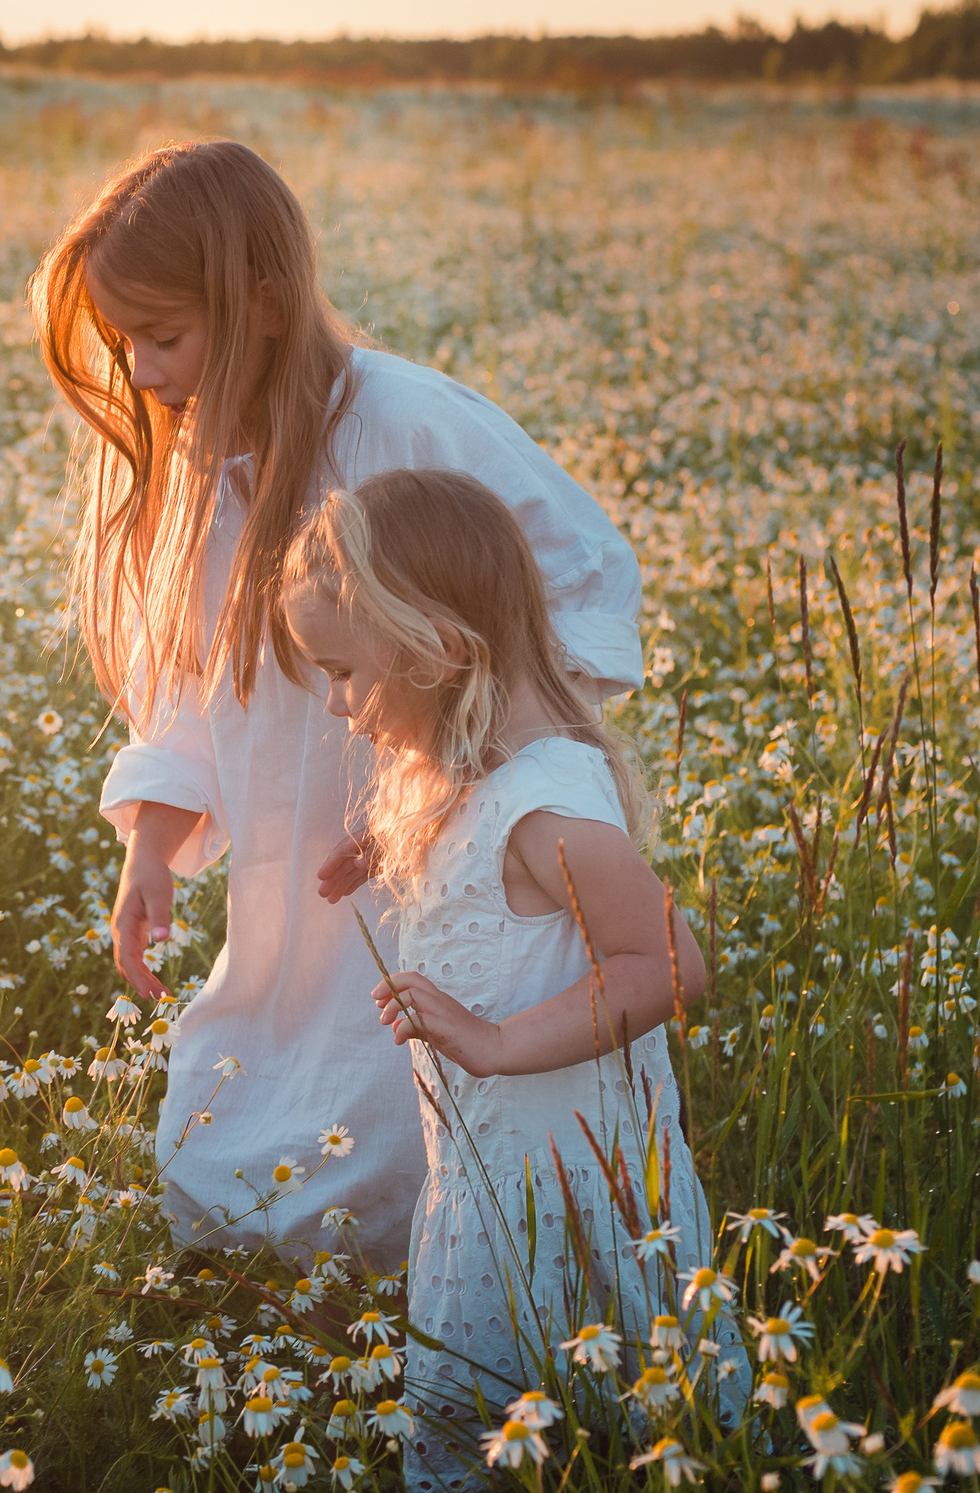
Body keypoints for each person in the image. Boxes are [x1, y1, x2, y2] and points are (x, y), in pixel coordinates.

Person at [32, 138, 643, 1270]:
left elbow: (580, 581)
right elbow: (194, 678)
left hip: (441, 857)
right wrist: (153, 842)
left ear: (262, 305)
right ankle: (295, 1299)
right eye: (124, 344)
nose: (143, 371)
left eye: (163, 335)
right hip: (289, 870)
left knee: (412, 1097)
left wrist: (454, 779)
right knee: (246, 1111)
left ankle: (417, 1296)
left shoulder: (404, 422)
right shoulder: (200, 462)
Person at [279, 468, 725, 1487]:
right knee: (514, 1410)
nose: (337, 705)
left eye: (343, 672)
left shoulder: (549, 806)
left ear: (437, 648)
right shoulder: (475, 771)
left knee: (621, 1415)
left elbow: (667, 962)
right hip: (492, 1168)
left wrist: (493, 1040)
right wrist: (396, 840)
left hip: (572, 1170)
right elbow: (494, 860)